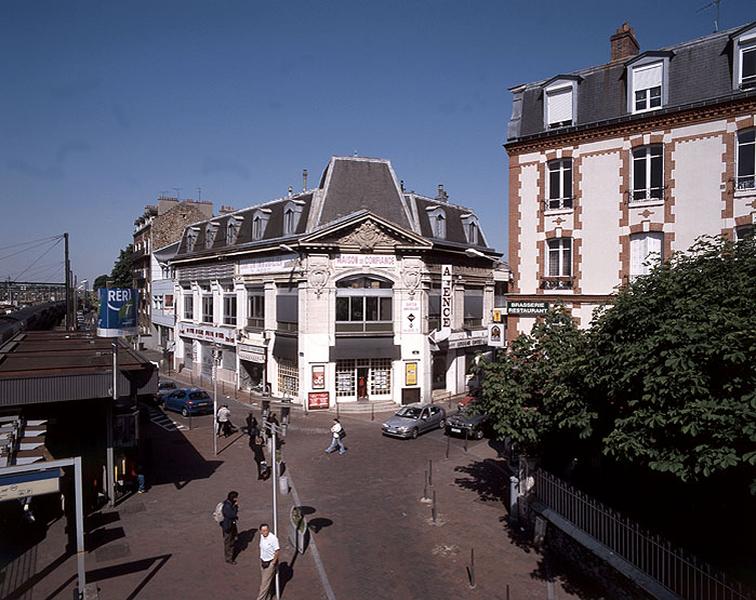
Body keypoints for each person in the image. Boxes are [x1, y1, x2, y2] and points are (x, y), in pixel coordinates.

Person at [256, 523, 279, 600]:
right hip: (263, 561)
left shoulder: (273, 538)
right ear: (260, 531)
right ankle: (268, 597)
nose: (265, 532)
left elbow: (277, 551)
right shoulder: (262, 536)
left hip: (270, 563)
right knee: (266, 582)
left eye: (266, 530)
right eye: (263, 531)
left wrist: (273, 563)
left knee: (263, 585)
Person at [220, 491, 239, 564]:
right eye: (235, 497)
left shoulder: (228, 503)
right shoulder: (227, 506)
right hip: (228, 526)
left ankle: (230, 554)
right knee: (228, 542)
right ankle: (229, 558)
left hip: (230, 525)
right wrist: (236, 507)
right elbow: (232, 514)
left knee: (232, 539)